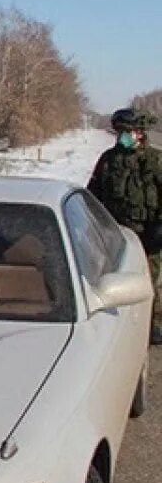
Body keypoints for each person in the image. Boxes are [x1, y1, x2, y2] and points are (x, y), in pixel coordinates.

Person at [87, 107, 162, 344]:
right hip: (114, 234)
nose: (122, 136)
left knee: (147, 284)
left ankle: (153, 327)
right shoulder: (109, 160)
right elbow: (93, 194)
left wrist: (159, 230)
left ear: (139, 133)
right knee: (112, 284)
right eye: (119, 132)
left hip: (148, 234)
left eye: (127, 132)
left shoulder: (155, 160)